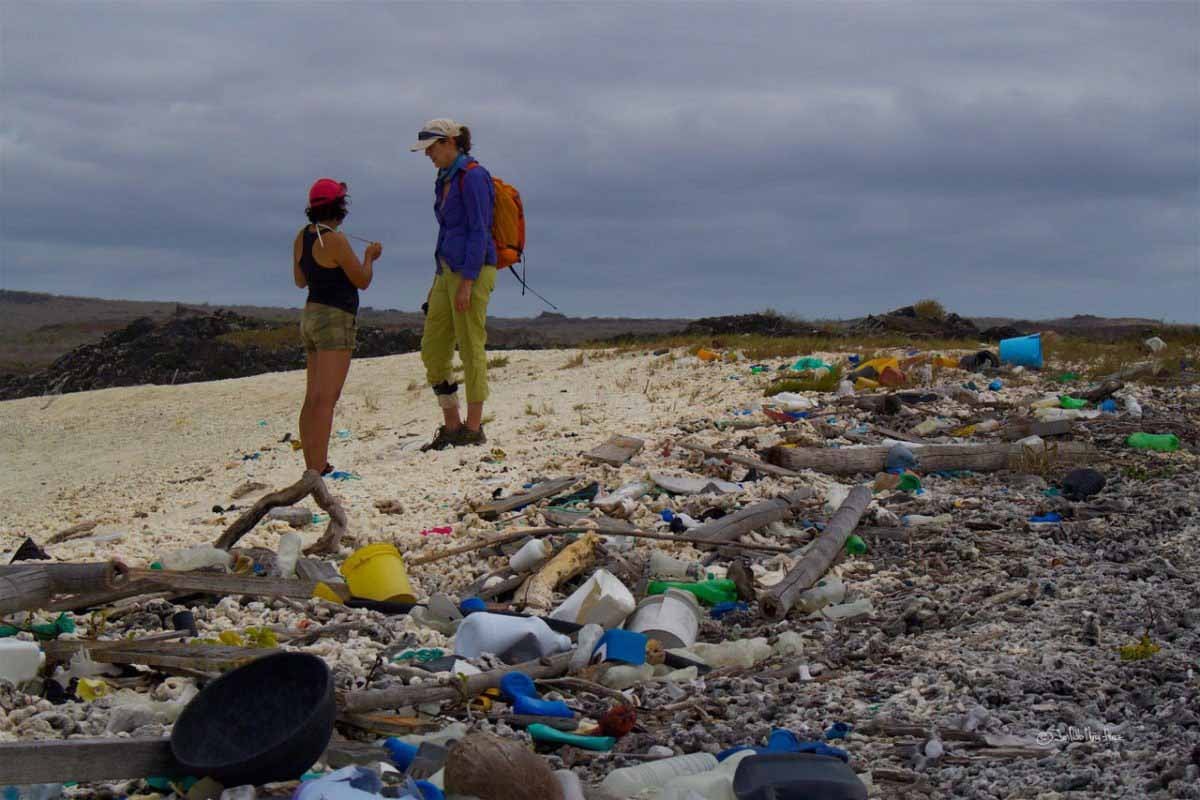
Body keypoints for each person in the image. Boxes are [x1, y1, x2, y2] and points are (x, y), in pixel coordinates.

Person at [410, 118, 497, 451]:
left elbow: (479, 229)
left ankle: (473, 429)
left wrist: (467, 282)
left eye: (431, 148)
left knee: (471, 345)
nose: (428, 155)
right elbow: (447, 231)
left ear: (449, 142)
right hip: (445, 271)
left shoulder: (474, 176)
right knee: (433, 349)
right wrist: (437, 282)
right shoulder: (443, 179)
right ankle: (452, 423)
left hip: (471, 270)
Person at [293, 178, 382, 474]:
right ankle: (317, 468)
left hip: (311, 314)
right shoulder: (335, 240)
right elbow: (362, 280)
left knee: (313, 397)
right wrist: (369, 257)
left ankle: (312, 466)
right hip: (334, 318)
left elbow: (300, 280)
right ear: (339, 207)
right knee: (326, 399)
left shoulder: (302, 237)